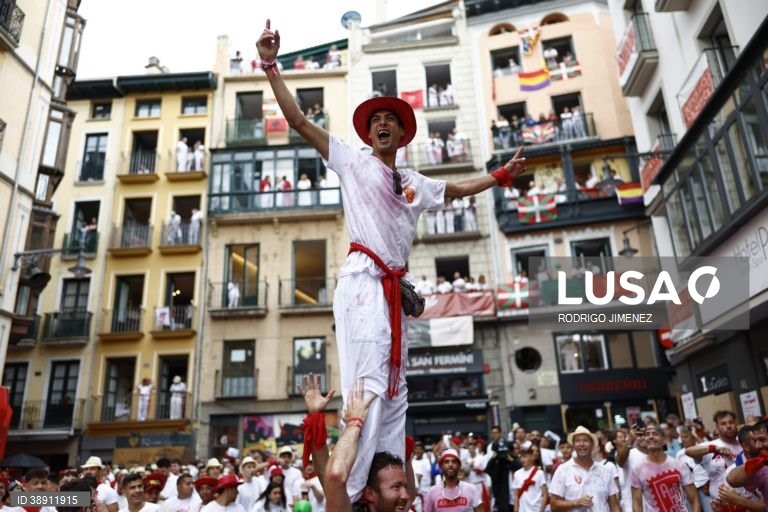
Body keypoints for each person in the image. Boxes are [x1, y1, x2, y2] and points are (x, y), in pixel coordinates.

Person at [258, 16, 526, 499]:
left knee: (398, 391)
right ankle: (351, 490)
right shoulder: (351, 161)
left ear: (402, 135)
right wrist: (272, 65)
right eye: (376, 121)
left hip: (395, 292)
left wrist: (501, 175)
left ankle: (390, 489)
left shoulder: (416, 183)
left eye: (391, 121)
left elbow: (460, 187)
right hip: (363, 282)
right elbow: (298, 121)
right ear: (368, 134)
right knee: (372, 382)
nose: (383, 124)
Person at [549, 426, 621, 512]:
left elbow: (614, 506)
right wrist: (575, 502)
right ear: (573, 446)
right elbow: (553, 505)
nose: (581, 444)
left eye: (585, 440)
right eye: (577, 441)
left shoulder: (605, 471)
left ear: (592, 445)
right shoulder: (563, 470)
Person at [630, 426, 699, 512]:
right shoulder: (637, 468)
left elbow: (694, 499)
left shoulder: (679, 464)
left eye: (655, 434)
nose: (650, 436)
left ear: (664, 440)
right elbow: (637, 503)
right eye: (647, 434)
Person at [684, 410, 743, 499]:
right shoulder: (711, 445)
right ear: (717, 427)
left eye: (731, 422)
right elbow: (688, 451)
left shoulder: (744, 443)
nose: (728, 426)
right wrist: (713, 448)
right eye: (723, 424)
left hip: (747, 499)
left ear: (736, 424)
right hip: (722, 503)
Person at [512, 446, 548, 512]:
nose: (522, 459)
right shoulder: (517, 474)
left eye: (525, 457)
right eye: (521, 457)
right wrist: (516, 509)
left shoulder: (539, 473)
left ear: (531, 457)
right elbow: (516, 495)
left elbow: (545, 494)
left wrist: (541, 510)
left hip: (536, 509)